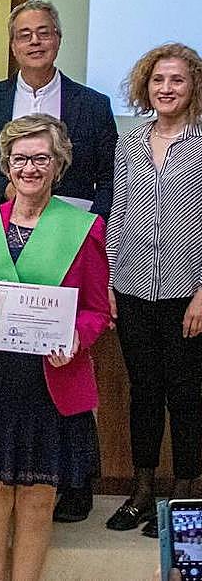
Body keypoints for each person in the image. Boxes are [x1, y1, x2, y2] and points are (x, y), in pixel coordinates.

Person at [0, 0, 114, 521]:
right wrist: (9, 186)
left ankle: (68, 487)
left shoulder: (92, 105)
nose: (34, 41)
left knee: (57, 399)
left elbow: (107, 182)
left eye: (44, 32)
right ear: (12, 44)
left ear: (58, 39)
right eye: (24, 34)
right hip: (4, 249)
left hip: (68, 249)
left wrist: (91, 244)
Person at [0, 114, 109, 581]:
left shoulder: (84, 228)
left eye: (41, 159)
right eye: (20, 159)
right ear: (6, 164)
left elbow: (96, 309)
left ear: (58, 165)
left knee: (37, 504)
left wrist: (78, 338)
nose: (29, 168)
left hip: (52, 380)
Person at [105, 43, 202, 537]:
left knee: (186, 396)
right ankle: (142, 492)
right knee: (143, 392)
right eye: (159, 81)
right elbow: (119, 214)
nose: (167, 89)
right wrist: (108, 282)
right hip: (133, 287)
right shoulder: (130, 142)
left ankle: (186, 497)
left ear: (193, 87)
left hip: (190, 293)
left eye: (177, 81)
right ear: (146, 86)